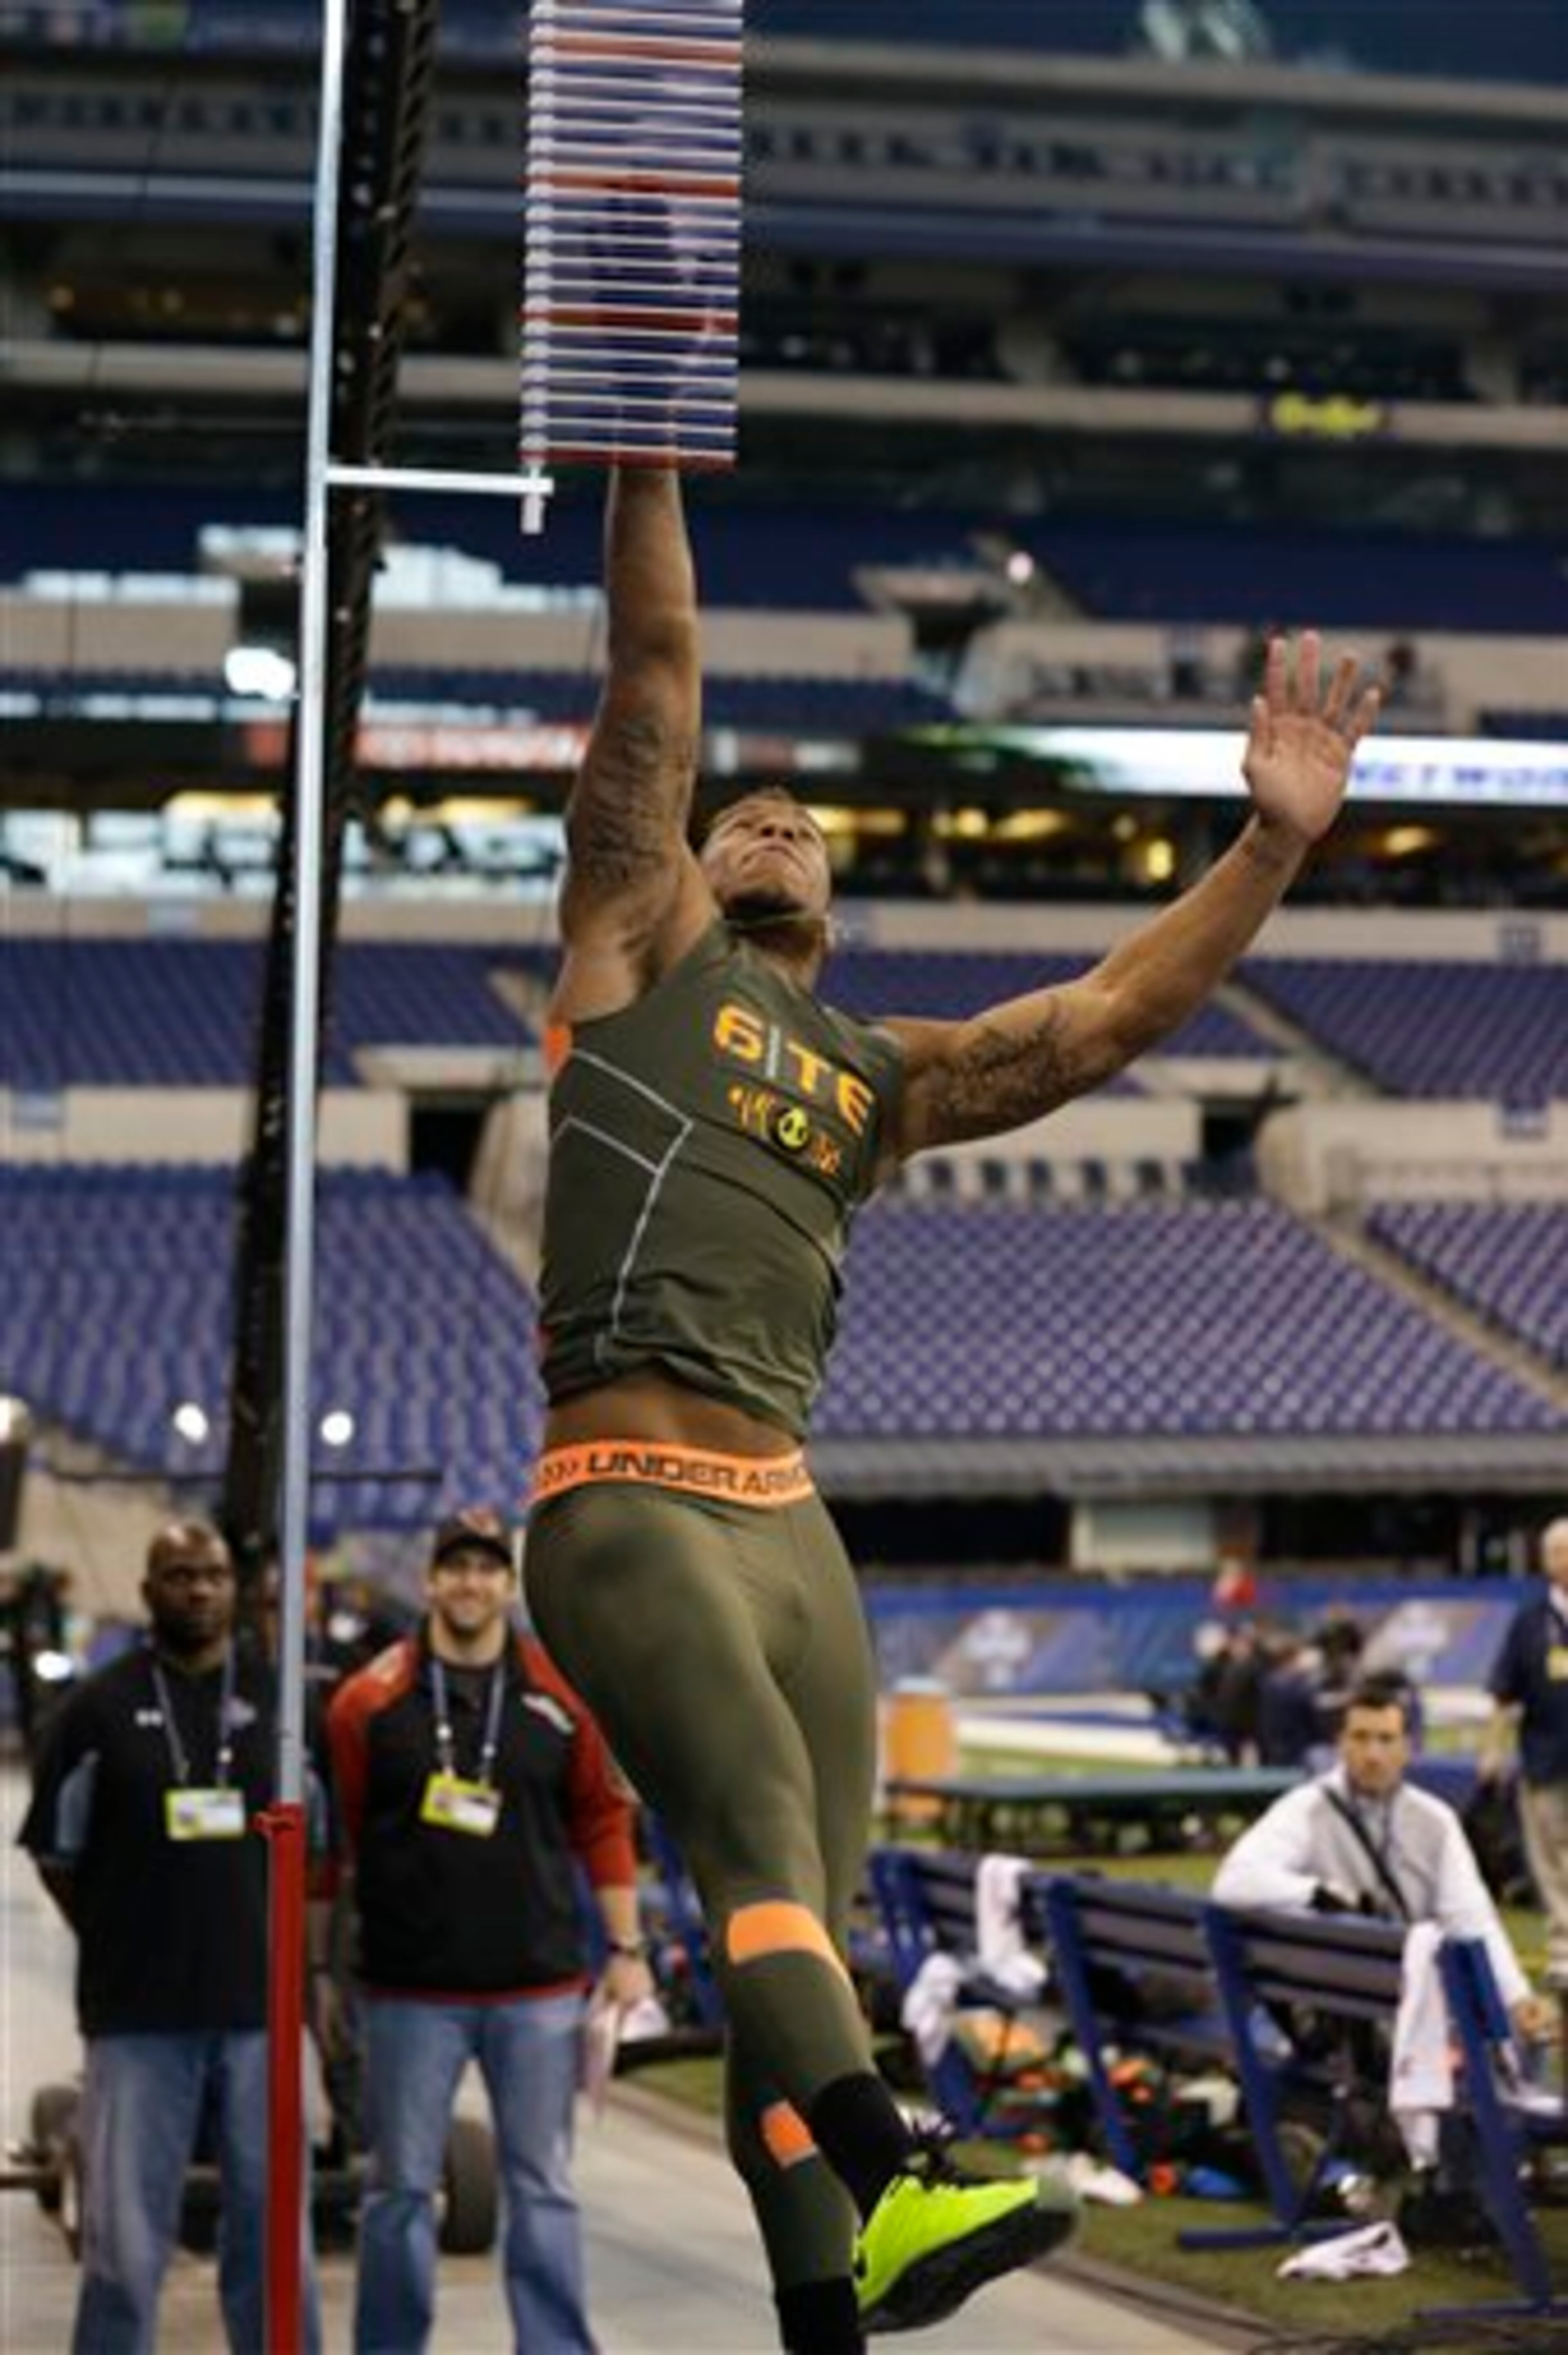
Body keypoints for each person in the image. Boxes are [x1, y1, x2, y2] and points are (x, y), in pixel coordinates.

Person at [521, 464, 1381, 2352]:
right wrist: (652, 445)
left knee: (795, 1947)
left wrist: (1270, 846)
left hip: (792, 1529)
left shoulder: (873, 1076)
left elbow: (1094, 1025)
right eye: (741, 807)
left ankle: (822, 2312)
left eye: (803, 820)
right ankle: (903, 2169)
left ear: (835, 895)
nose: (770, 816)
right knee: (753, 1840)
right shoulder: (626, 950)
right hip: (630, 1497)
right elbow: (657, 657)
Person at [327, 1505, 648, 2355]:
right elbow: (346, 1837)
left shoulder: (561, 1699)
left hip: (537, 1991)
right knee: (398, 2191)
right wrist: (322, 1971)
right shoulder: (368, 1702)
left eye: (486, 1569)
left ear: (509, 1584)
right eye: (455, 1568)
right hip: (408, 1992)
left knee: (542, 2188)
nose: (470, 1583)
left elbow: (603, 1826)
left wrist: (627, 1951)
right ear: (430, 1580)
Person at [17, 1518, 322, 2355]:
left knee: (274, 2236)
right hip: (137, 2017)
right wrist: (121, 1928)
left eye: (212, 1575)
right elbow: (55, 1853)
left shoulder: (282, 1709)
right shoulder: (96, 1710)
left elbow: (321, 1855)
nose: (197, 1589)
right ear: (149, 1592)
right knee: (123, 2243)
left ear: (238, 1589)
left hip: (259, 2009)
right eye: (179, 1575)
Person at [1212, 1672, 1547, 2040]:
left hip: (1390, 2004)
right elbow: (1233, 1882)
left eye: (1386, 1740)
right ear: (1340, 1744)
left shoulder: (1435, 1822)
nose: (1373, 1754)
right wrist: (1321, 1893)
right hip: (1352, 2011)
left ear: (1407, 1748)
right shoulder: (1308, 1809)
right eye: (1361, 1738)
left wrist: (1518, 1997)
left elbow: (1471, 1916)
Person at [1481, 1515, 1568, 1992]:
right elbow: (1503, 1693)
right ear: (1547, 1562)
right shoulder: (1531, 1622)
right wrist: (1492, 1749)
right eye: (1559, 1553)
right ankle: (1564, 1952)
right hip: (1545, 1758)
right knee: (1551, 1859)